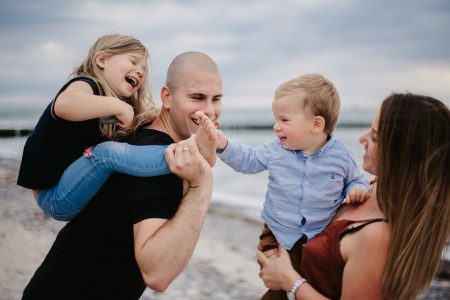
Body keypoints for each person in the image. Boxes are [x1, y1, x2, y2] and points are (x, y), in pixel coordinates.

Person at [22, 51, 223, 299]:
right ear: (167, 98)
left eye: (216, 99)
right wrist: (202, 184)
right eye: (197, 97)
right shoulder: (157, 160)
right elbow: (158, 274)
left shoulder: (140, 140)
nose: (210, 110)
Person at [257, 93, 450, 300]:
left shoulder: (377, 236)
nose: (362, 138)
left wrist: (289, 281)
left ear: (401, 153)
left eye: (374, 136)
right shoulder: (370, 187)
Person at [17, 34, 215, 221]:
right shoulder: (86, 84)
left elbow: (150, 114)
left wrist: (181, 112)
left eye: (144, 69)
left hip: (74, 184)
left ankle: (197, 153)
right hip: (54, 196)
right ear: (102, 60)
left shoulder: (115, 103)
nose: (140, 71)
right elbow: (63, 105)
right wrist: (118, 106)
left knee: (119, 149)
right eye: (133, 61)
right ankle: (187, 157)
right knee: (105, 154)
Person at [216, 74, 369, 296]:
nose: (276, 127)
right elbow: (249, 159)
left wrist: (357, 189)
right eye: (276, 120)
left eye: (284, 120)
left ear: (316, 124)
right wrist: (223, 145)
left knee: (317, 283)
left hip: (318, 237)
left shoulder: (342, 157)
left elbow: (356, 178)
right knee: (276, 289)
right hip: (277, 233)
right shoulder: (276, 151)